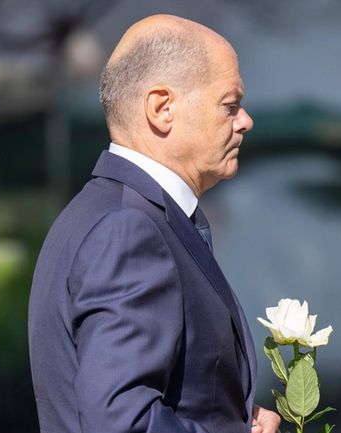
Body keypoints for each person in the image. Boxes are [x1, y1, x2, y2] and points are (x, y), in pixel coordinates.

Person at [28, 14, 281, 433]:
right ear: (162, 108)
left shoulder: (105, 213)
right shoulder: (128, 229)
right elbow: (122, 423)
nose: (245, 121)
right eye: (230, 105)